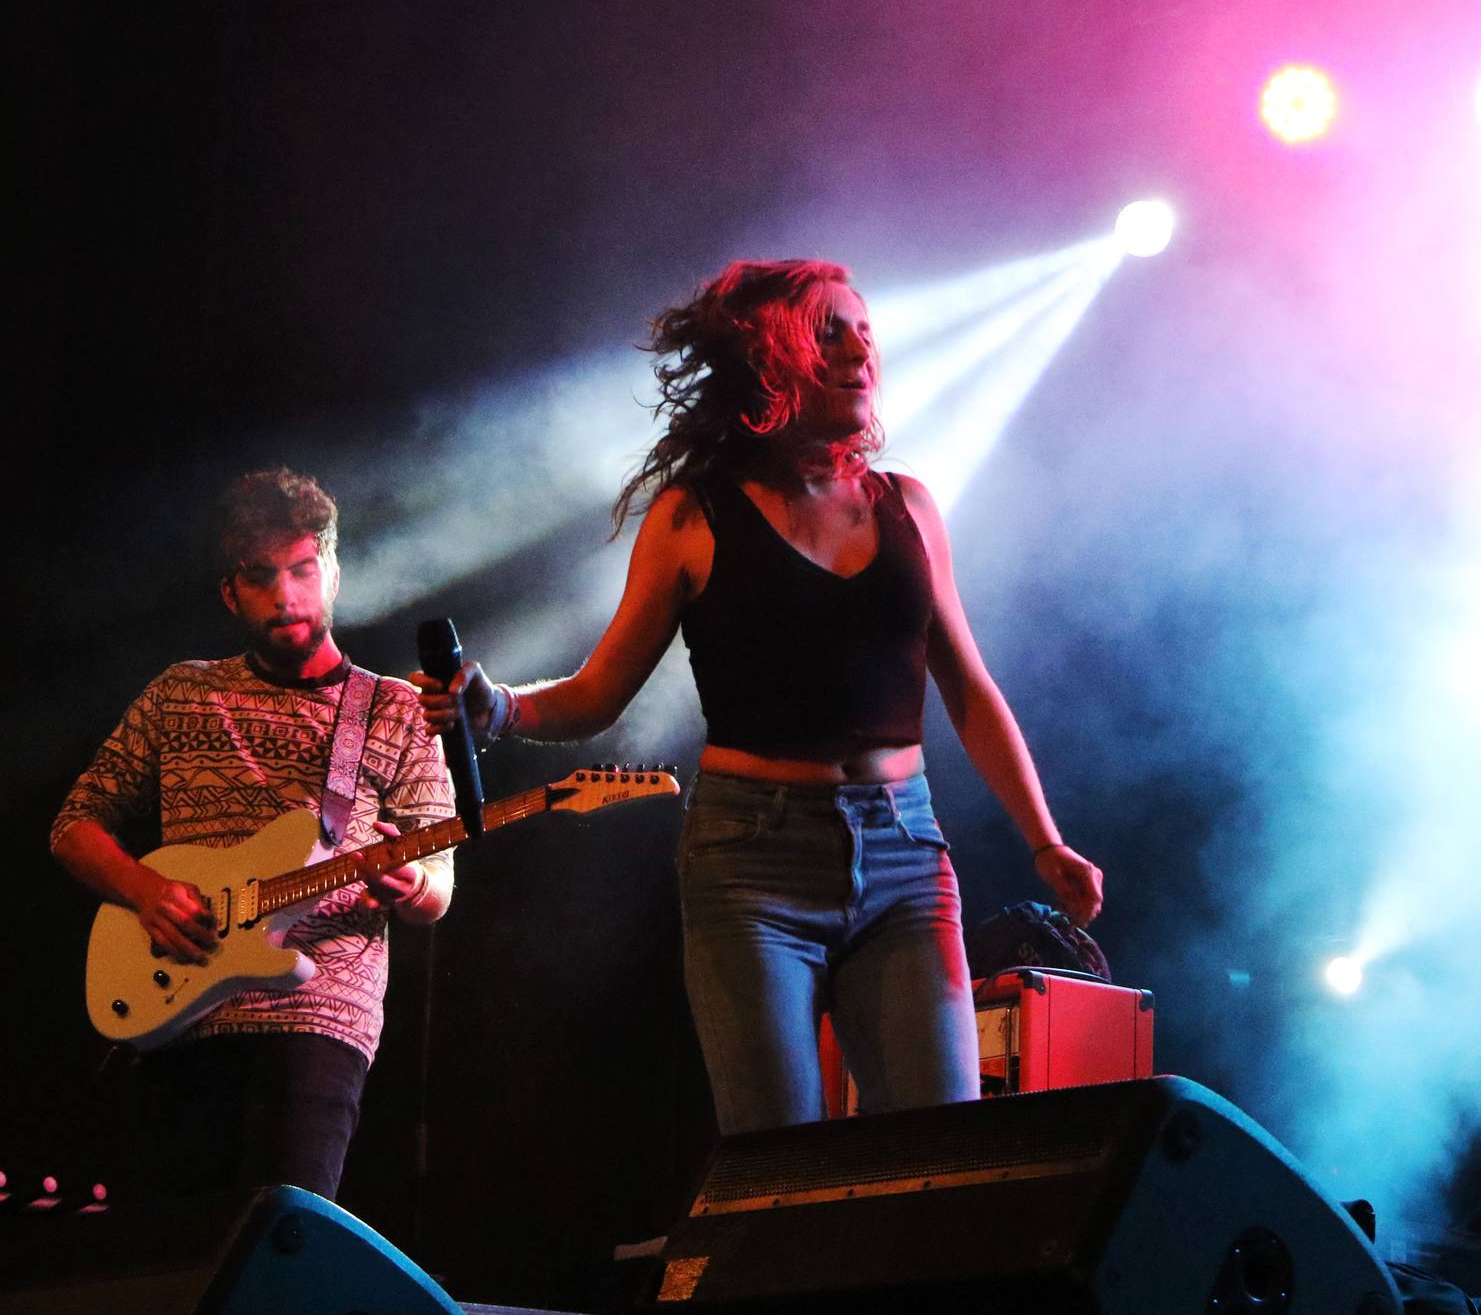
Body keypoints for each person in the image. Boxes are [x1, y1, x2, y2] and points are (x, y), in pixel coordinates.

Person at [415, 259, 1104, 1134]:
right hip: (752, 867)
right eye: (829, 331)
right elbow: (596, 696)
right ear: (769, 360)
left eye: (864, 329)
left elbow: (968, 688)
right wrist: (497, 707)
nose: (859, 347)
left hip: (904, 856)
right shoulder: (693, 516)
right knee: (777, 1158)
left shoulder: (909, 507)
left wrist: (1045, 842)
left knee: (941, 1147)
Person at [51, 468, 456, 1199]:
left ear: (331, 572)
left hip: (319, 1007)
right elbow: (74, 825)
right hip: (176, 1004)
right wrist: (144, 890)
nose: (286, 594)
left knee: (276, 1233)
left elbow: (439, 887)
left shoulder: (394, 710)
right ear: (230, 592)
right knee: (173, 1256)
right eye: (262, 576)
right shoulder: (183, 691)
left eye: (303, 570)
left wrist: (415, 884)